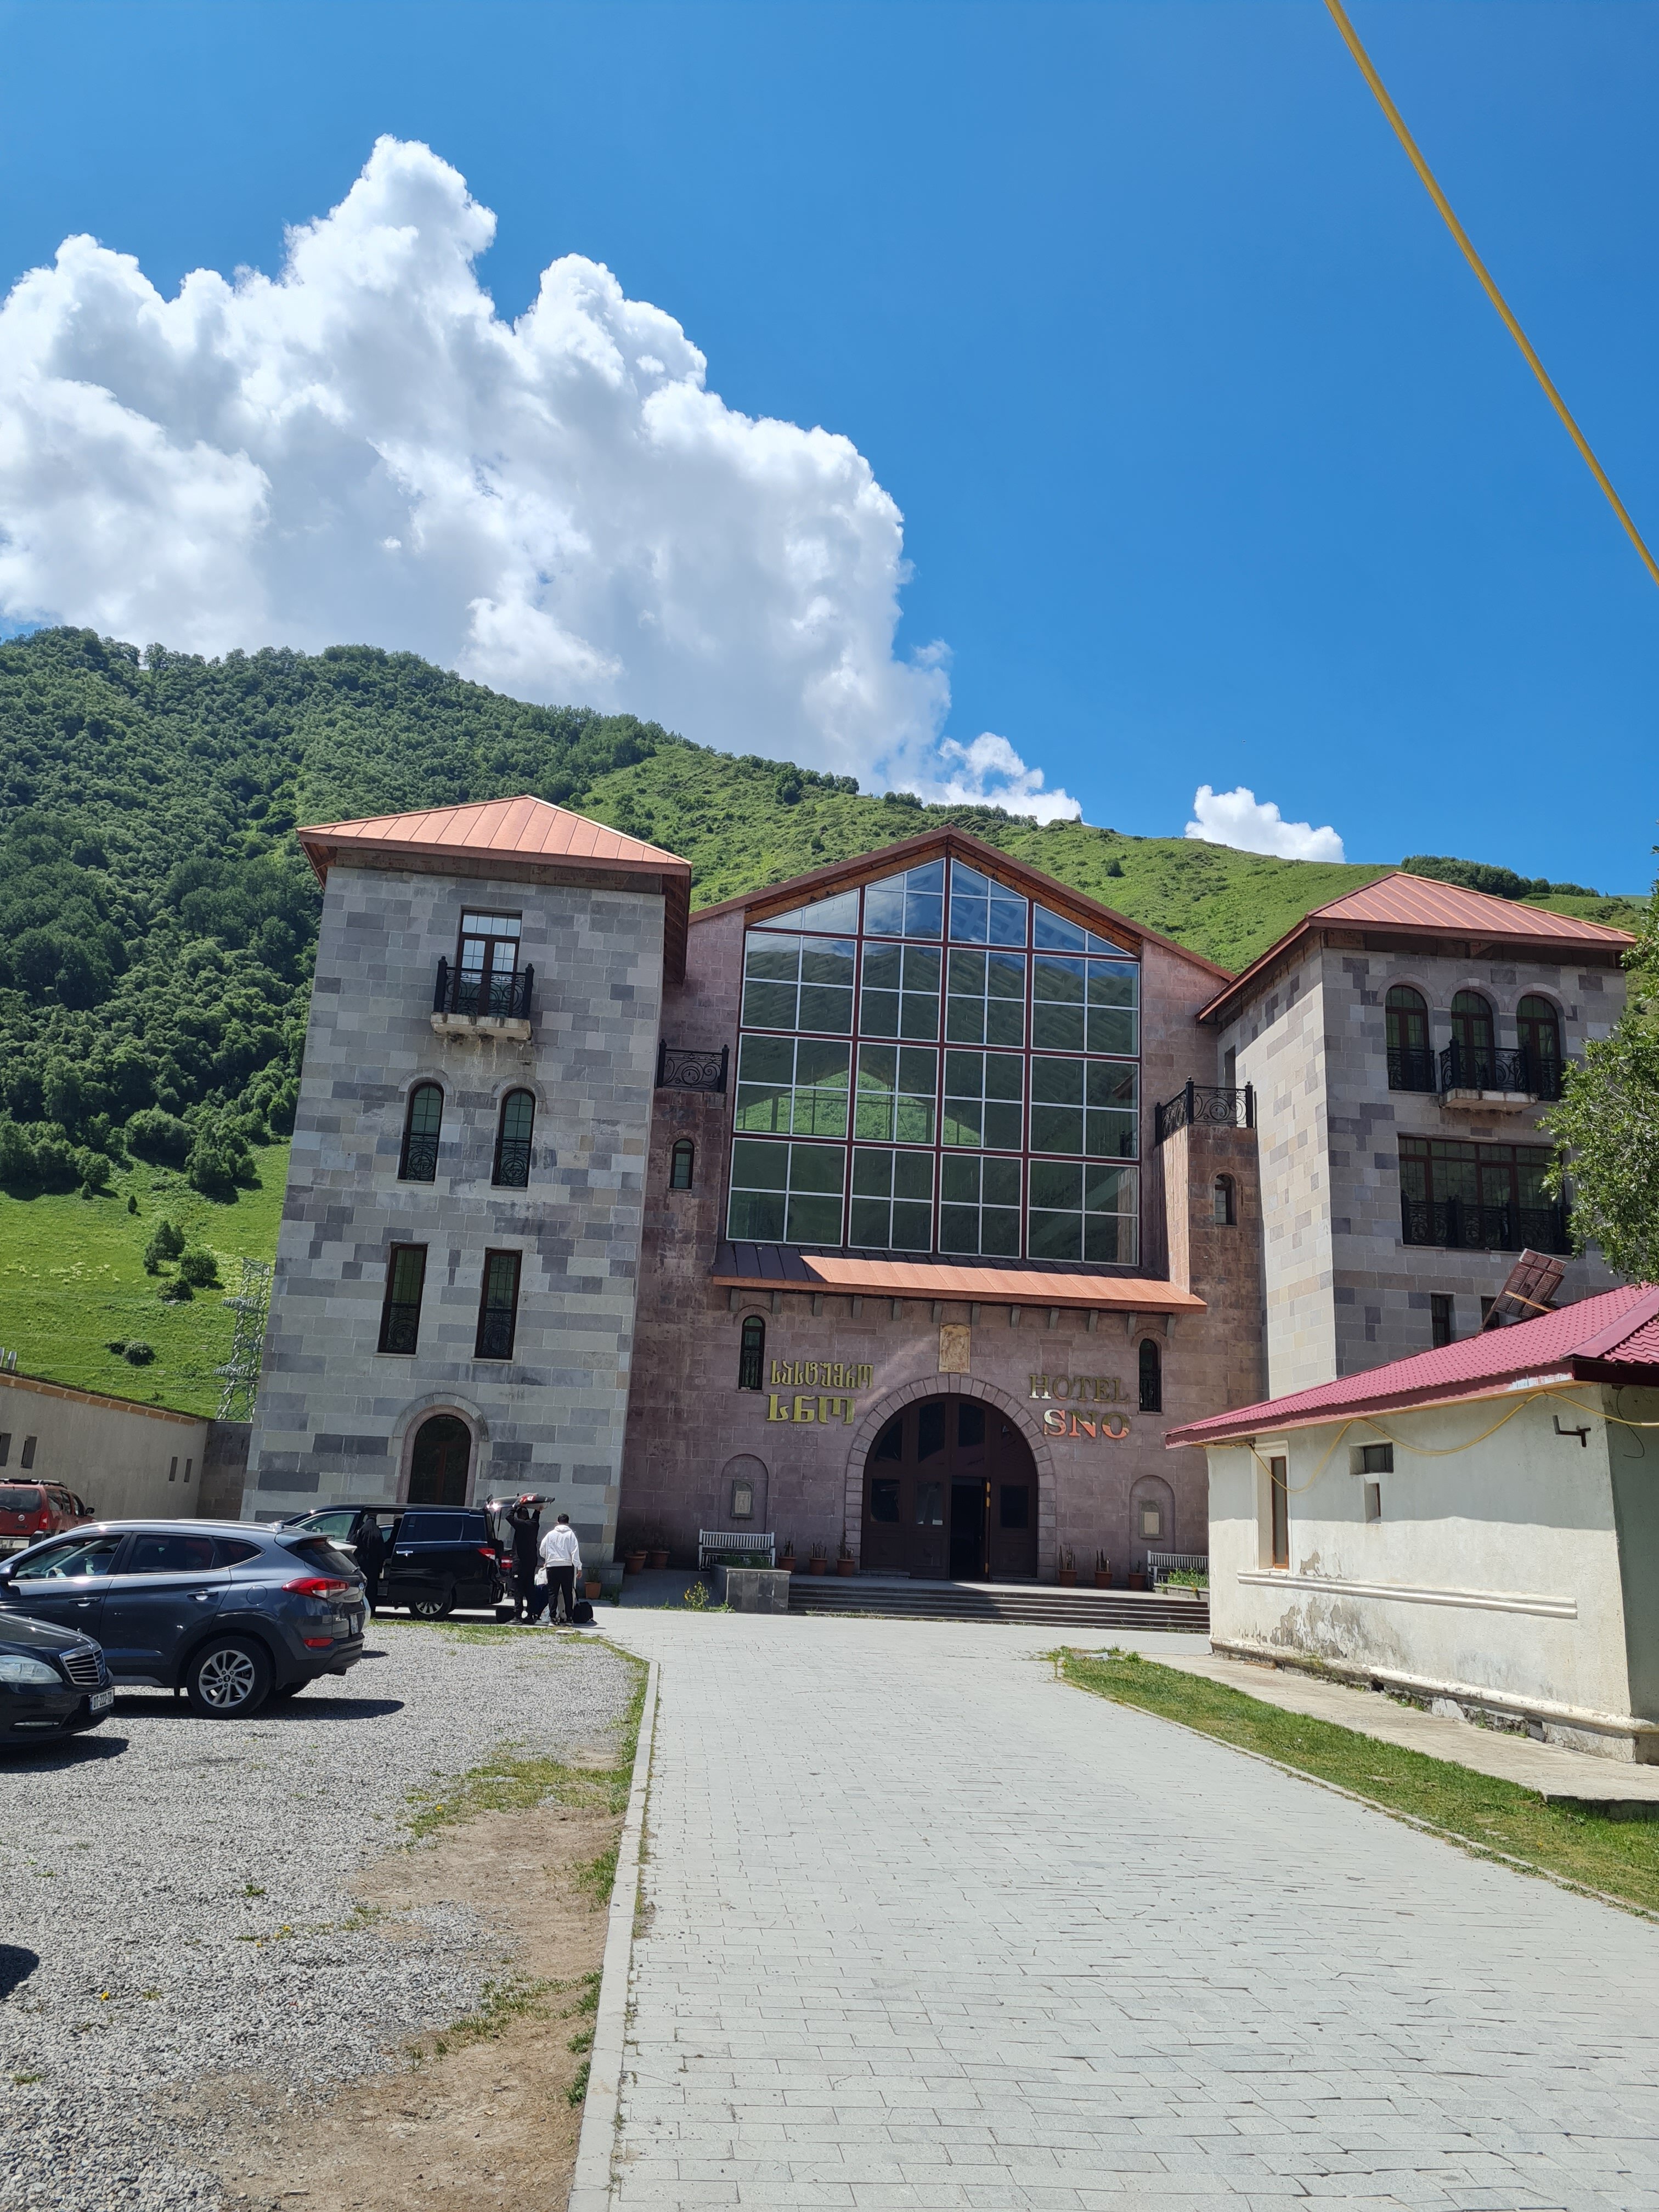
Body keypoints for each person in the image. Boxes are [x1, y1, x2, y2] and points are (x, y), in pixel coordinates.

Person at [538, 1512, 582, 1626]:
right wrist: (579, 1567)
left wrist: (547, 1557)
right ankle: (569, 1618)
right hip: (567, 1566)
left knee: (553, 1593)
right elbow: (575, 1552)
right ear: (568, 1523)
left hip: (552, 1566)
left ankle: (553, 1618)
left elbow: (542, 1549)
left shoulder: (550, 1535)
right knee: (568, 1592)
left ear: (557, 1522)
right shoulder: (571, 1535)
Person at [506, 1494, 542, 1621]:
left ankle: (517, 1615)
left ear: (520, 1517)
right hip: (531, 1562)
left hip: (520, 1562)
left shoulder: (521, 1525)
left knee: (518, 1589)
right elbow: (536, 1517)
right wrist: (537, 1510)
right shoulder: (534, 1525)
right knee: (530, 1588)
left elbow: (508, 1517)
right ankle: (531, 1614)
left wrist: (515, 1506)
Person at [353, 1511, 387, 1618]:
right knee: (373, 1587)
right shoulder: (377, 1532)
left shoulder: (362, 1531)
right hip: (374, 1564)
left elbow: (355, 1544)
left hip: (363, 1562)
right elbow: (381, 1550)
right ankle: (372, 1609)